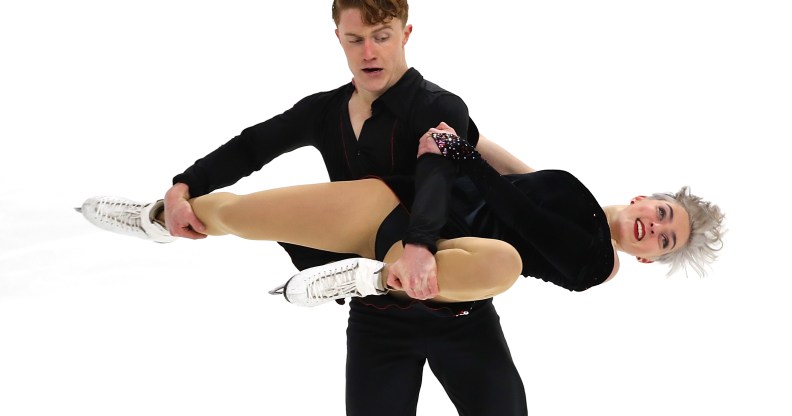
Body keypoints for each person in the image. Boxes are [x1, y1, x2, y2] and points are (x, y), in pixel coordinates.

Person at [85, 1, 532, 415]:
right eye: (355, 39)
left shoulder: (438, 105)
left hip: (456, 308)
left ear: (406, 33)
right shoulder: (325, 110)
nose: (369, 52)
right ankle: (160, 217)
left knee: (497, 274)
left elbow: (435, 177)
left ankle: (371, 274)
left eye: (382, 36)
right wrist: (184, 184)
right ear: (338, 37)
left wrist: (417, 244)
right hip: (377, 320)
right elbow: (253, 146)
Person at [79, 128, 725, 308]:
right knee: (241, 213)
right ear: (646, 198)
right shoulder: (562, 183)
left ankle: (364, 281)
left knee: (503, 263)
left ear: (648, 258)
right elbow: (506, 172)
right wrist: (455, 134)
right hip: (403, 208)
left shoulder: (600, 266)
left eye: (665, 242)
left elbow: (525, 222)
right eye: (663, 215)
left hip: (442, 264)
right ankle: (157, 219)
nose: (656, 228)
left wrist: (467, 155)